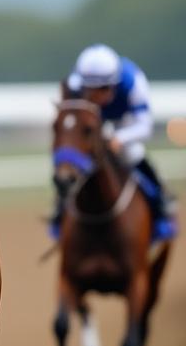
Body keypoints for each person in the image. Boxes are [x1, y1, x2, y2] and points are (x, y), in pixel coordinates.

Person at [56, 44, 176, 241]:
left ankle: (161, 203)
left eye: (100, 90)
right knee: (72, 163)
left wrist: (119, 138)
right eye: (89, 90)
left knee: (132, 153)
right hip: (90, 121)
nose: (93, 96)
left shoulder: (133, 81)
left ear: (112, 85)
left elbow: (145, 125)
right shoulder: (74, 83)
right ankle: (59, 212)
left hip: (124, 120)